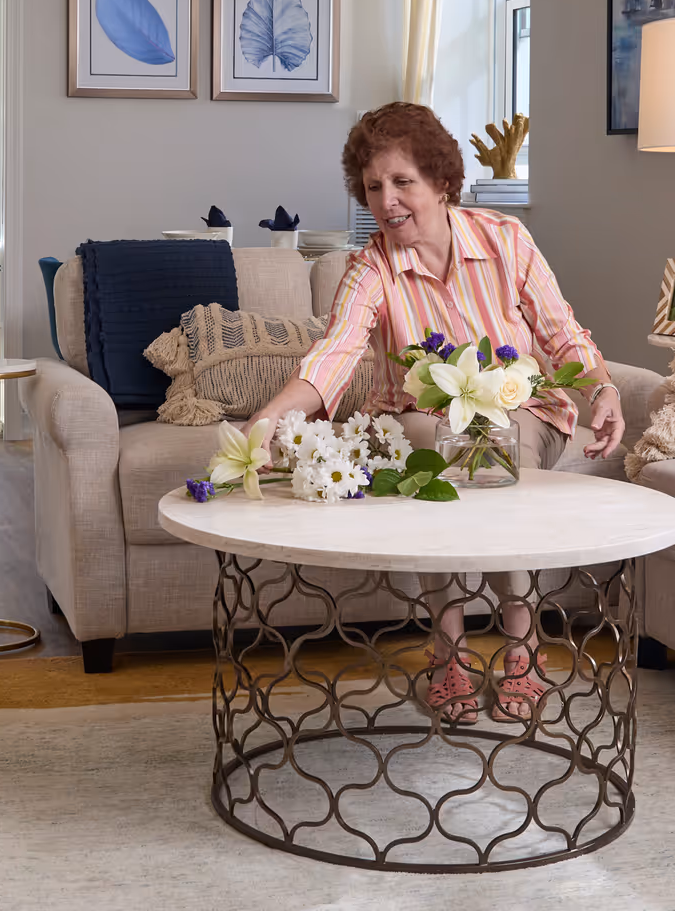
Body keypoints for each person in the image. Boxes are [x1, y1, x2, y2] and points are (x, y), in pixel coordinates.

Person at [248, 102, 625, 726]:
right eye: (373, 187)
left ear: (442, 182)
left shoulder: (506, 241)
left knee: (494, 436)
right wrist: (265, 422)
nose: (387, 201)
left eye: (404, 182)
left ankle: (522, 649)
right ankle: (447, 653)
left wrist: (603, 388)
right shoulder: (370, 268)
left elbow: (563, 334)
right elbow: (334, 353)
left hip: (523, 411)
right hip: (421, 420)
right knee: (431, 444)